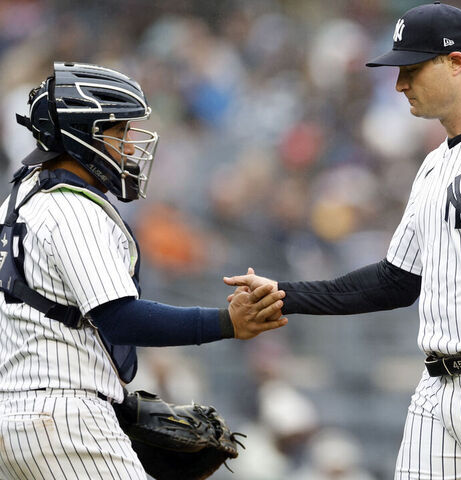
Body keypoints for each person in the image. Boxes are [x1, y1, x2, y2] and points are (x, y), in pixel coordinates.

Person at [224, 3, 461, 480]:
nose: (400, 83)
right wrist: (287, 294)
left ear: (457, 62)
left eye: (411, 68)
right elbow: (395, 281)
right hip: (438, 390)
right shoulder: (432, 167)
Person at [0, 62, 288, 479]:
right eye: (121, 132)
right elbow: (119, 318)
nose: (131, 147)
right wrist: (227, 322)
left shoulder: (17, 203)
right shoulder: (73, 208)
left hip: (17, 416)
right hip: (64, 420)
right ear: (86, 135)